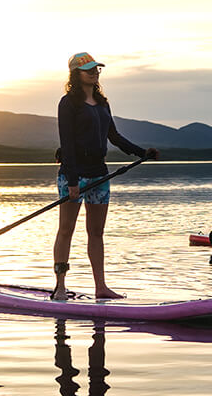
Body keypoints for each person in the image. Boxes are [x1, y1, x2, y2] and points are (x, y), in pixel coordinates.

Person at [53, 52, 157, 300]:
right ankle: (60, 286)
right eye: (88, 69)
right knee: (66, 230)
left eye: (96, 69)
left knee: (96, 233)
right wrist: (73, 181)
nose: (93, 72)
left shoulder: (103, 104)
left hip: (100, 175)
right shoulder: (68, 103)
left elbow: (114, 137)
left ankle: (101, 287)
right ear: (75, 74)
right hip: (74, 176)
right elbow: (66, 144)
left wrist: (142, 152)